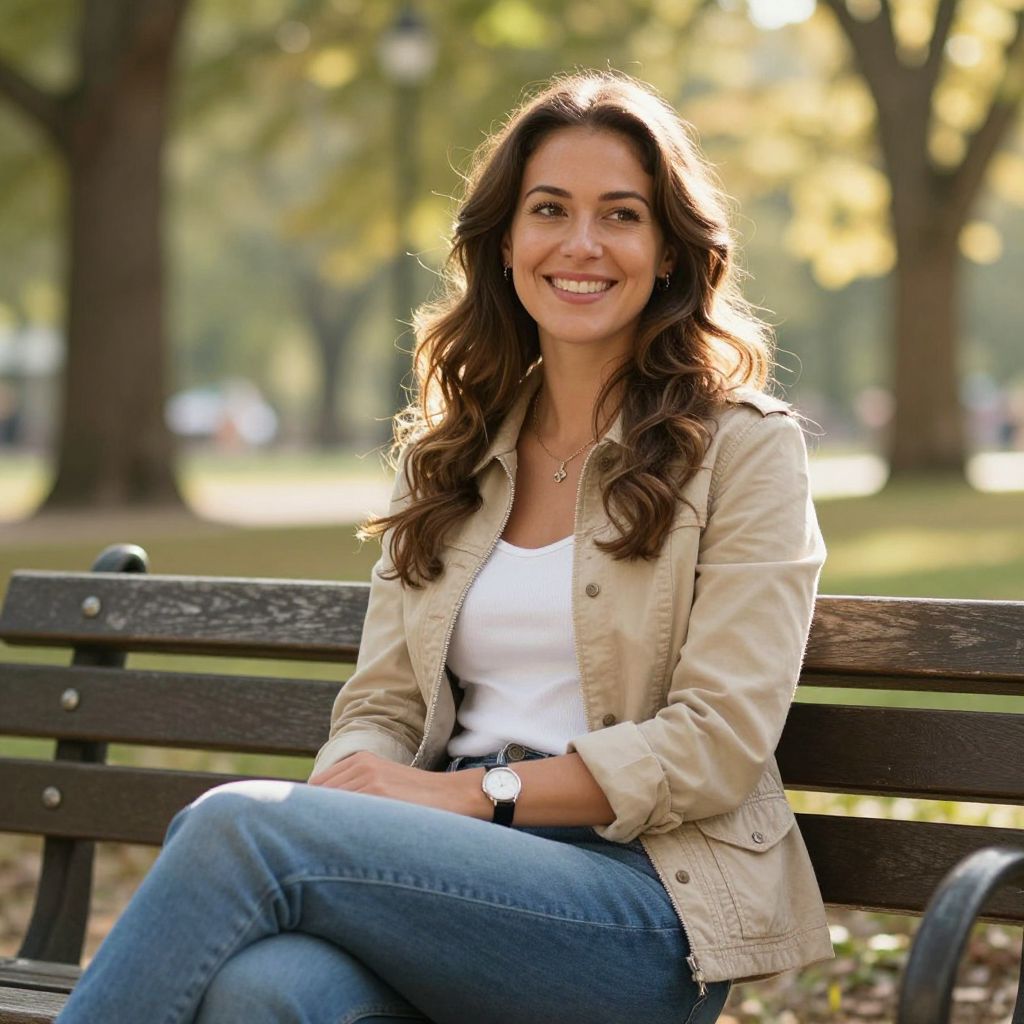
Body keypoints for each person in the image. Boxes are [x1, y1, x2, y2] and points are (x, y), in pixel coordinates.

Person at [56, 69, 833, 1024]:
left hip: (637, 904)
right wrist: (360, 785)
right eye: (550, 209)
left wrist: (462, 801)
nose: (582, 244)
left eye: (621, 215)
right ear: (506, 243)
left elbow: (716, 744)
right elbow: (382, 701)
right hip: (436, 882)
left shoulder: (745, 451)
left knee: (239, 828)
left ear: (670, 251)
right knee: (264, 995)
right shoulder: (451, 455)